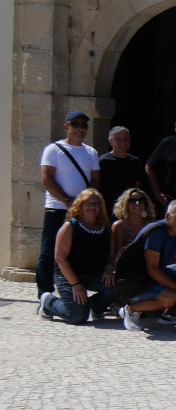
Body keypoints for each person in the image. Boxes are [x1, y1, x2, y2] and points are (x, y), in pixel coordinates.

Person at [38, 111, 100, 296]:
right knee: (48, 253)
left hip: (81, 212)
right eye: (75, 124)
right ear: (66, 126)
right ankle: (44, 294)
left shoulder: (91, 152)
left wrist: (84, 203)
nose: (79, 129)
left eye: (83, 125)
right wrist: (67, 200)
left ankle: (73, 291)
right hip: (56, 208)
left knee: (78, 253)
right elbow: (47, 179)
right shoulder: (53, 149)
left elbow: (95, 180)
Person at [119, 199, 176, 332]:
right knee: (171, 297)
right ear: (167, 216)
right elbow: (151, 269)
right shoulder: (156, 232)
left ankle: (169, 315)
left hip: (157, 273)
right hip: (136, 280)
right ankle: (130, 309)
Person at [38, 189, 118, 324]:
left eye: (97, 203)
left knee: (117, 288)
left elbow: (111, 255)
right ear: (80, 205)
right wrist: (75, 284)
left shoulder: (105, 228)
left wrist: (110, 268)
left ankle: (95, 307)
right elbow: (60, 258)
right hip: (69, 276)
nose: (93, 207)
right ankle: (49, 302)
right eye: (89, 203)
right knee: (77, 316)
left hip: (94, 274)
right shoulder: (70, 226)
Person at [97, 126, 146, 220]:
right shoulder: (103, 161)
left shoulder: (135, 162)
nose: (123, 143)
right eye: (118, 139)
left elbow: (136, 186)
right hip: (107, 209)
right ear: (110, 141)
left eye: (125, 139)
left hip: (128, 209)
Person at [110, 188, 156, 262]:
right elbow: (116, 254)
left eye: (141, 200)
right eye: (132, 201)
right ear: (125, 204)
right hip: (125, 266)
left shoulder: (152, 225)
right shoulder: (119, 226)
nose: (137, 203)